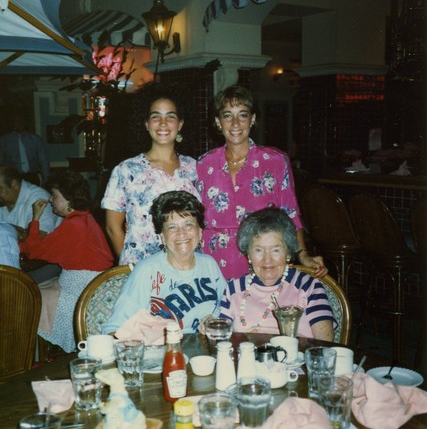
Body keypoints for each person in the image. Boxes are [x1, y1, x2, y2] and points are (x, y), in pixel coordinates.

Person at [197, 85, 325, 279]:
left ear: (253, 119)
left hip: (260, 260)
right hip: (211, 261)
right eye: (227, 115)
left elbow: (290, 213)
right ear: (218, 121)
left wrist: (303, 254)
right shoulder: (204, 164)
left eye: (242, 115)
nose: (235, 123)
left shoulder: (274, 161)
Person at [103, 191, 226, 336]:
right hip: (162, 354)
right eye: (172, 227)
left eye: (188, 224)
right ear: (162, 236)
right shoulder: (147, 271)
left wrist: (214, 321)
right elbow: (113, 330)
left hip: (206, 354)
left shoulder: (209, 265)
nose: (181, 233)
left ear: (199, 232)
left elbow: (228, 312)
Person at [101, 83, 199, 265]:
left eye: (170, 117)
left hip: (187, 266)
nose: (163, 124)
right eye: (156, 117)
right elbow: (112, 227)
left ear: (180, 124)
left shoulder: (195, 168)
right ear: (146, 124)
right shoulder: (126, 170)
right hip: (142, 270)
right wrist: (131, 268)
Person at [19, 170, 113, 353]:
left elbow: (33, 251)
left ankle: (35, 355)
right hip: (92, 284)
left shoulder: (74, 224)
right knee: (38, 287)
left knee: (29, 296)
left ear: (69, 199)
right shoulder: (84, 217)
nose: (51, 200)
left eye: (54, 195)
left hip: (81, 288)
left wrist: (36, 218)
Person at [219, 207, 335, 341]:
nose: (267, 260)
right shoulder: (233, 289)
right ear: (248, 255)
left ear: (288, 253)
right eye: (258, 250)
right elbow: (222, 344)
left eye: (275, 250)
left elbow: (325, 346)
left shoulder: (309, 286)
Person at [0, 166, 59, 236]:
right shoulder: (4, 200)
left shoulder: (39, 198)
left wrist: (5, 228)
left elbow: (39, 237)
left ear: (14, 184)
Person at [0, 110, 49, 185]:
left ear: (25, 122)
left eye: (19, 121)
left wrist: (45, 179)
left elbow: (43, 160)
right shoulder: (4, 140)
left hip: (33, 176)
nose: (15, 123)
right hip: (14, 177)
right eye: (14, 121)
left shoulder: (35, 139)